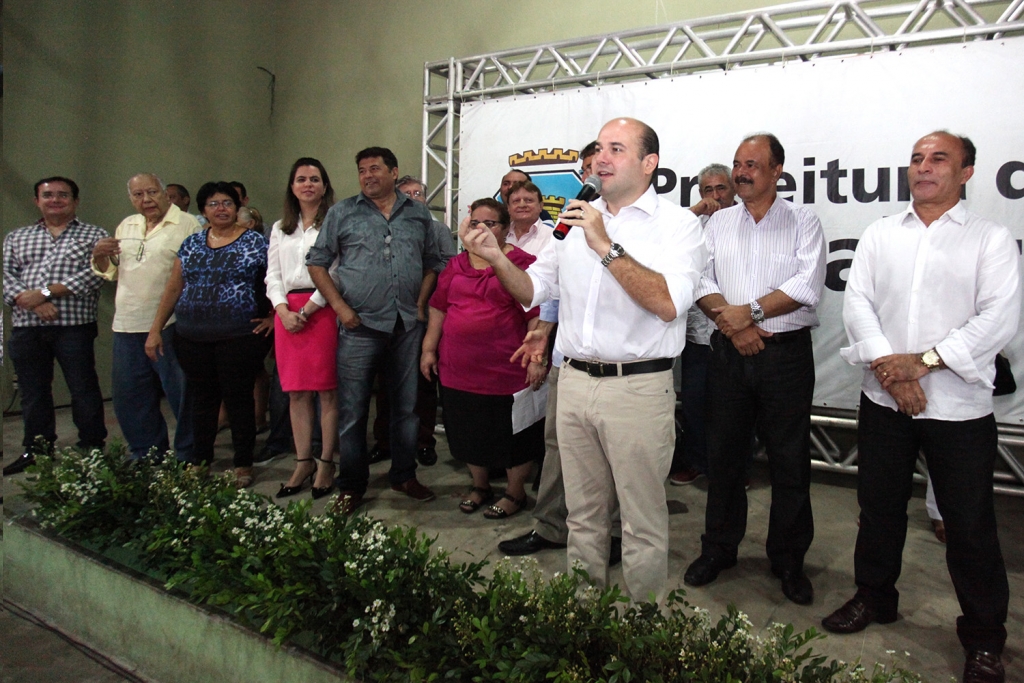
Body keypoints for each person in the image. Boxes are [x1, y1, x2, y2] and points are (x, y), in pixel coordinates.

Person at [462, 117, 707, 603]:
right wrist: (497, 258)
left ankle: (643, 625)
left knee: (640, 522)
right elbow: (535, 290)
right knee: (583, 515)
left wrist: (604, 244)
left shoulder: (678, 225)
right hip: (572, 382)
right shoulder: (573, 220)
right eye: (599, 148)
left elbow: (667, 303)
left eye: (617, 149)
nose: (601, 158)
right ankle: (584, 617)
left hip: (636, 389)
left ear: (649, 163)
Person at [822, 132, 1019, 683]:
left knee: (970, 527)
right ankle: (874, 597)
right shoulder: (882, 234)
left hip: (958, 410)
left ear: (967, 172)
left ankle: (983, 640)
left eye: (939, 159)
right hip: (885, 400)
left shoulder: (991, 240)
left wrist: (924, 362)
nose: (924, 168)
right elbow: (857, 303)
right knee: (877, 512)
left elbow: (997, 320)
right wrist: (891, 368)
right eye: (916, 158)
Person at [684, 133, 826, 607]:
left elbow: (805, 284)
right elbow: (699, 279)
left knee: (789, 461)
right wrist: (732, 320)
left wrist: (751, 314)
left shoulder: (803, 221)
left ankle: (787, 560)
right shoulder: (718, 224)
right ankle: (719, 549)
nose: (742, 172)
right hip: (728, 349)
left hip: (785, 356)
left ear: (777, 171)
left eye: (753, 164)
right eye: (738, 164)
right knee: (723, 458)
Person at [498, 140, 624, 563]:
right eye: (587, 170)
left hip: (621, 365)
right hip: (566, 358)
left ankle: (616, 534)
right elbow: (550, 290)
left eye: (600, 169)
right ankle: (550, 526)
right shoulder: (565, 228)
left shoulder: (632, 225)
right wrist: (543, 332)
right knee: (557, 444)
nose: (593, 178)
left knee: (617, 452)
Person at [307, 147, 443, 512]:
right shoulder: (342, 212)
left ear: (393, 172)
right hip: (359, 325)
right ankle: (351, 485)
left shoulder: (417, 213)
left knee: (406, 408)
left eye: (375, 169)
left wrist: (420, 303)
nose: (368, 176)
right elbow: (317, 263)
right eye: (362, 171)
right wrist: (339, 307)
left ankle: (404, 475)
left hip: (407, 325)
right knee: (353, 412)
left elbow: (433, 262)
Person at [422, 198, 546, 517]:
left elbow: (538, 312)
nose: (481, 229)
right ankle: (480, 486)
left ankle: (515, 494)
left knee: (514, 438)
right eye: (476, 222)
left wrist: (536, 358)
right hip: (458, 370)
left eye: (490, 223)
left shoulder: (524, 263)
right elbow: (438, 307)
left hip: (507, 372)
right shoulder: (455, 265)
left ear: (505, 229)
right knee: (467, 433)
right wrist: (428, 348)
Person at [145, 182, 272, 488]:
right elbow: (175, 286)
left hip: (240, 335)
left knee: (238, 399)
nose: (221, 209)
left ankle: (243, 463)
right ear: (203, 211)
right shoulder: (191, 244)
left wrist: (272, 316)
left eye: (227, 203)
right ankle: (200, 461)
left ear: (236, 208)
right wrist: (156, 329)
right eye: (213, 204)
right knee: (202, 401)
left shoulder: (256, 242)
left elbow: (274, 281)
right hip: (192, 337)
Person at [90, 173, 199, 461]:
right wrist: (100, 256)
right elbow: (112, 271)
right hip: (126, 323)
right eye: (138, 195)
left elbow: (192, 276)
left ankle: (190, 456)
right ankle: (148, 454)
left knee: (181, 394)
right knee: (131, 396)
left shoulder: (188, 224)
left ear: (165, 193)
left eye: (152, 192)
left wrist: (159, 325)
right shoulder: (127, 225)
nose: (146, 200)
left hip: (171, 323)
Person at [3, 177, 108, 475]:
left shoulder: (94, 236)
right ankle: (37, 449)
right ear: (37, 201)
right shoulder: (16, 237)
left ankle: (91, 445)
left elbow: (94, 275)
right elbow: (7, 278)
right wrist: (35, 302)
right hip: (27, 326)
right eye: (48, 195)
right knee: (32, 391)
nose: (55, 200)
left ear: (75, 201)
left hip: (73, 326)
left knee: (83, 388)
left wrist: (46, 293)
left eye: (63, 195)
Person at [265, 157, 339, 499]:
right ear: (292, 187)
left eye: (314, 179)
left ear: (324, 186)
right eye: (301, 179)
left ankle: (326, 462)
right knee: (295, 392)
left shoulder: (335, 223)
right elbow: (273, 275)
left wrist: (309, 309)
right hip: (286, 314)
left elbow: (337, 271)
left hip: (321, 309)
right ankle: (303, 461)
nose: (307, 184)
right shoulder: (281, 227)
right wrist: (281, 309)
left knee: (326, 392)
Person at [369, 175, 455, 467]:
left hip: (425, 315)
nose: (414, 197)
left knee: (423, 382)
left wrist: (421, 287)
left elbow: (447, 264)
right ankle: (384, 441)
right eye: (407, 193)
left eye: (418, 193)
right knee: (386, 381)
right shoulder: (383, 229)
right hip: (386, 315)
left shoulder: (437, 229)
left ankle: (422, 441)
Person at [670, 163, 738, 486]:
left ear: (733, 189)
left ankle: (736, 469)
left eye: (720, 189)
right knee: (695, 403)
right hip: (698, 336)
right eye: (707, 190)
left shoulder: (747, 220)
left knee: (736, 409)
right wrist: (695, 212)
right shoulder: (689, 225)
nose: (715, 197)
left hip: (737, 332)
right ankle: (697, 461)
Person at [505, 180, 554, 256]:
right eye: (516, 201)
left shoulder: (552, 237)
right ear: (508, 208)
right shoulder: (501, 234)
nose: (522, 205)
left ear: (540, 206)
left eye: (529, 200)